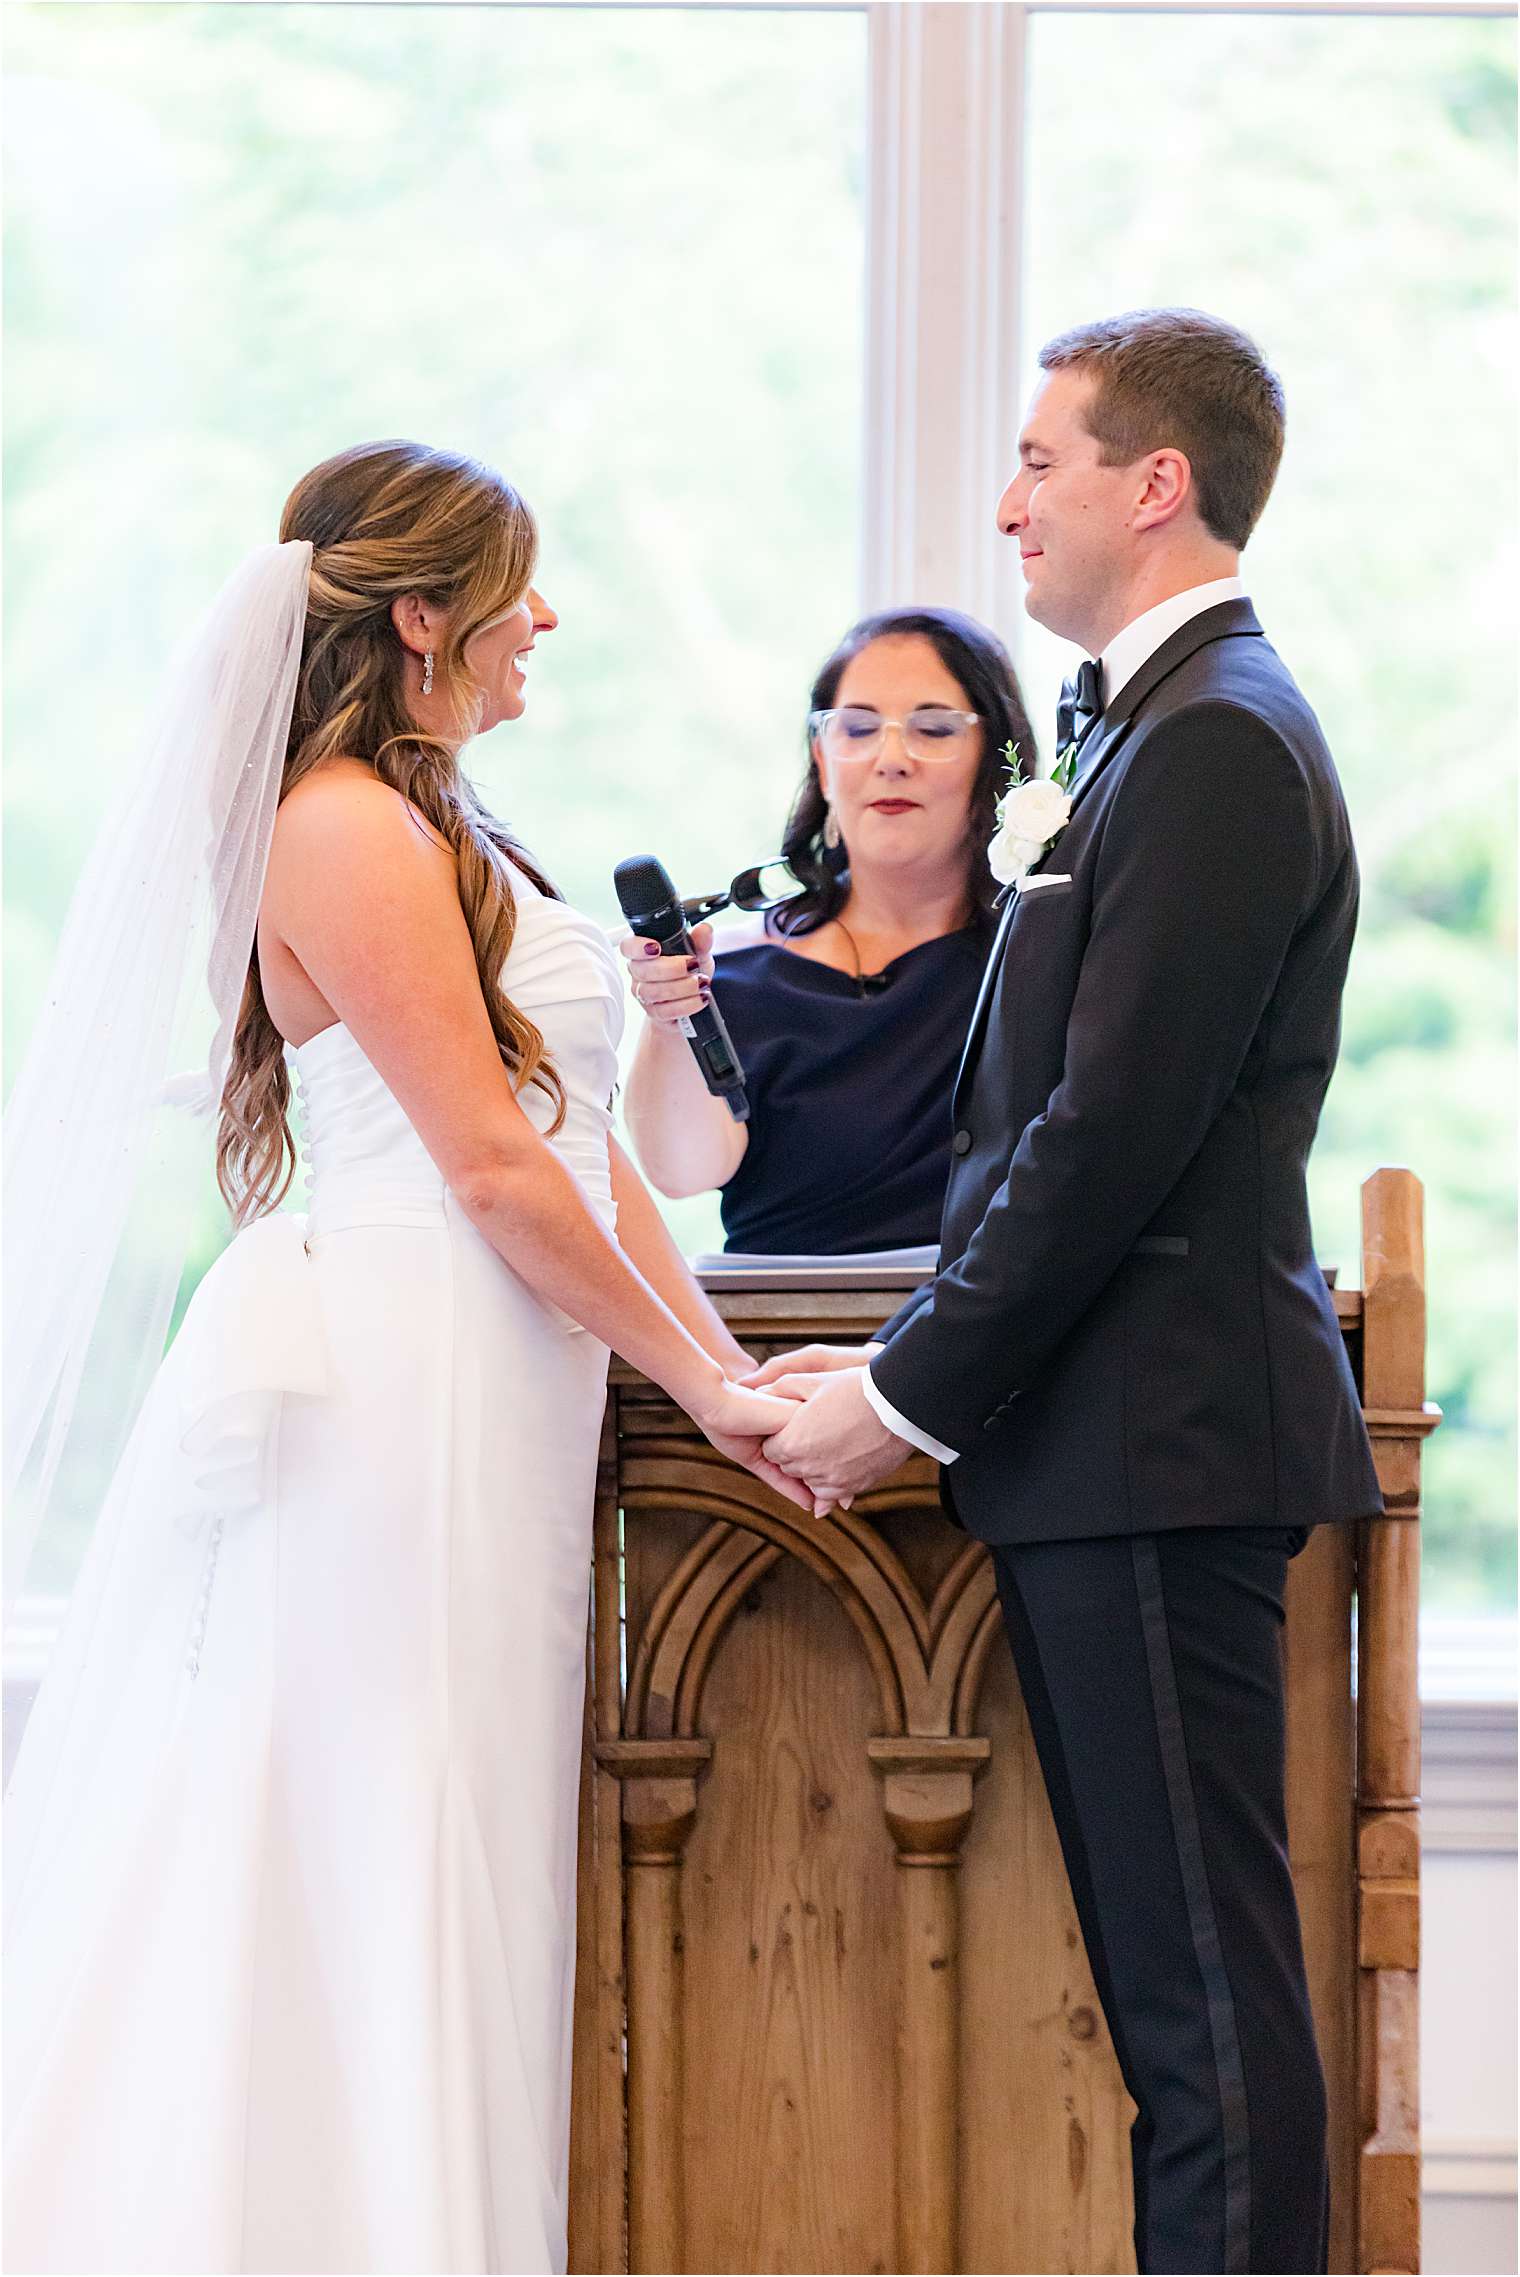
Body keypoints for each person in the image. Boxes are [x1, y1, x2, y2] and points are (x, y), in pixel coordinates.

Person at [2, 441, 803, 2275]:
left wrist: (720, 1367)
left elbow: (580, 1138)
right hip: (404, 1366)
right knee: (377, 1818)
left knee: (460, 1818)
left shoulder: (454, 818)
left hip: (498, 1369)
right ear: (425, 616)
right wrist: (702, 1387)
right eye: (518, 585)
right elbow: (497, 1166)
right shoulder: (344, 819)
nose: (548, 618)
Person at [752, 309, 1384, 2274]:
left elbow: (1109, 1138)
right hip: (1121, 1439)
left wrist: (905, 1391)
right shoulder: (1155, 725)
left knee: (1201, 2004)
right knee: (1176, 2002)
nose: (1008, 498)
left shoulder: (1210, 738)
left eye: (1043, 458)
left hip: (1152, 1431)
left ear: (1154, 483)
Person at [620, 608, 1033, 1254]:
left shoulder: (1037, 956)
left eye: (933, 729)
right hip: (776, 1337)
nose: (891, 759)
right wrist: (672, 1016)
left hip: (980, 1340)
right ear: (821, 755)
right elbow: (681, 1171)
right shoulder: (740, 968)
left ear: (993, 755)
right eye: (859, 728)